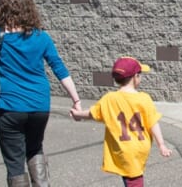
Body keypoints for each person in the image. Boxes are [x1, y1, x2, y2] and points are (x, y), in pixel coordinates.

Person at [0, 0, 82, 187]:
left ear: (2, 10)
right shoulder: (41, 37)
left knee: (14, 163)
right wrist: (76, 101)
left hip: (9, 107)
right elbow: (60, 69)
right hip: (39, 106)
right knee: (35, 149)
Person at [69, 56, 172, 187]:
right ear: (135, 77)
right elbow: (153, 123)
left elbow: (92, 113)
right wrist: (161, 144)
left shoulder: (109, 99)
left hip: (123, 149)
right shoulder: (144, 98)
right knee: (134, 179)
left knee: (132, 179)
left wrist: (78, 114)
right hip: (139, 148)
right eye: (140, 74)